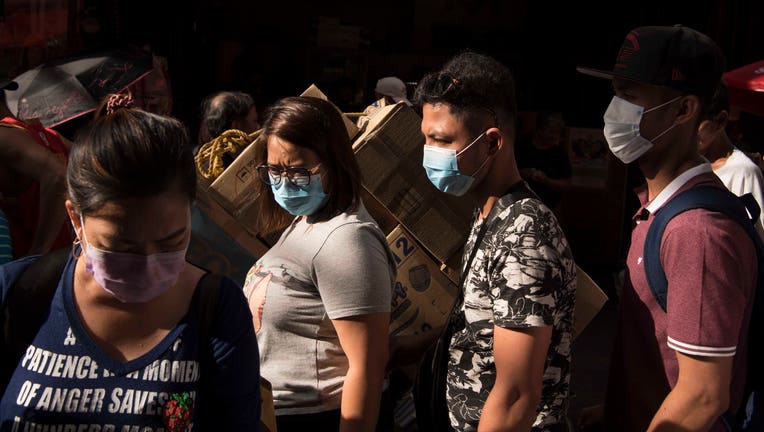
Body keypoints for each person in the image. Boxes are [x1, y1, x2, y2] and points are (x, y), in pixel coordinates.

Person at [0, 93, 262, 430]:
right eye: (121, 246)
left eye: (171, 242)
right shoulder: (17, 291)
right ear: (76, 220)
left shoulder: (218, 311)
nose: (149, 262)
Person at [577, 25, 756, 431]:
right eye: (616, 92)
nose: (615, 110)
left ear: (683, 109)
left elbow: (703, 396)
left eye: (632, 96)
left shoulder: (697, 233)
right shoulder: (658, 210)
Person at [414, 51, 577, 431]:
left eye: (441, 140)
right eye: (426, 138)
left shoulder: (526, 235)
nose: (429, 153)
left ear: (491, 143)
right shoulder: (491, 210)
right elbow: (486, 328)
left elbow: (518, 396)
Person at [242, 96, 395, 432]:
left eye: (297, 170)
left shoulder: (348, 240)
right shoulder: (306, 220)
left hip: (319, 418)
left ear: (334, 162)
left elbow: (367, 366)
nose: (284, 183)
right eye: (274, 170)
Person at [0, 79, 73, 259]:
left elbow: (58, 175)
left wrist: (39, 251)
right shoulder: (50, 136)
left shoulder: (3, 136)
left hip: (30, 273)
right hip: (67, 263)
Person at [698, 82, 764, 241]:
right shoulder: (687, 162)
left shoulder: (742, 171)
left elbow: (755, 238)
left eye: (696, 124)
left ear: (720, 121)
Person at [516, 111, 573, 215]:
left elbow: (567, 184)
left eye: (558, 133)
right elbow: (504, 175)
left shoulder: (559, 153)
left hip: (550, 210)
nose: (556, 136)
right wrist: (523, 173)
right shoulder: (521, 147)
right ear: (540, 129)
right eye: (552, 132)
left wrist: (547, 180)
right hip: (521, 208)